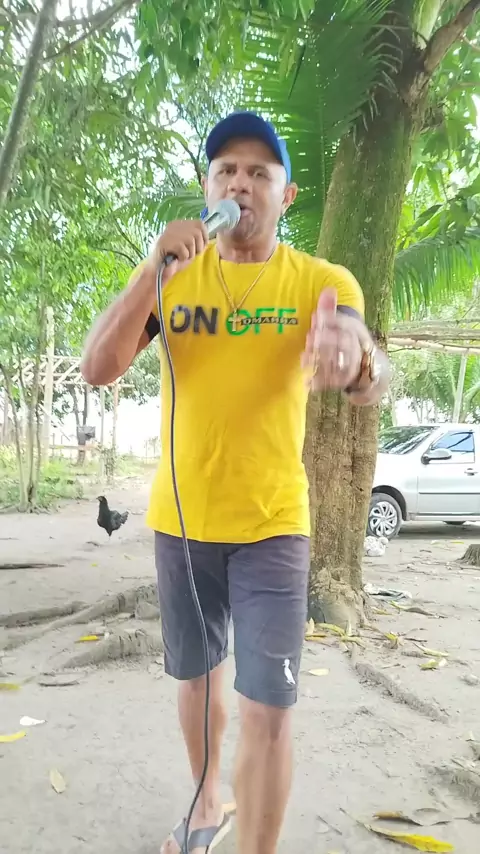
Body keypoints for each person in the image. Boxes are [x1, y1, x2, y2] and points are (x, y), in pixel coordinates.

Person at [81, 110, 390, 854]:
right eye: (226, 171)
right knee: (196, 681)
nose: (240, 184)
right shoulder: (170, 278)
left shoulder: (321, 280)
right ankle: (206, 802)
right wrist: (151, 272)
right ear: (207, 186)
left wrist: (357, 358)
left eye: (259, 173)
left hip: (273, 526)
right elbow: (97, 367)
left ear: (286, 195)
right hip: (182, 522)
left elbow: (366, 371)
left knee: (268, 707)